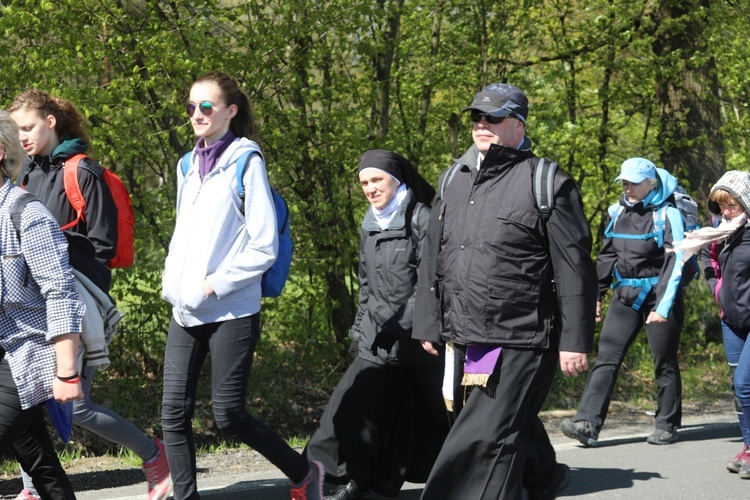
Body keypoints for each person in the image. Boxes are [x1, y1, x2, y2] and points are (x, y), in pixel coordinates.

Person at [412, 83, 597, 500]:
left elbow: (574, 270)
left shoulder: (547, 181)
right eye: (476, 116)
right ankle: (543, 477)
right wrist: (428, 320)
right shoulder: (453, 179)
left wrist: (575, 340)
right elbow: (432, 256)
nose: (482, 124)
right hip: (467, 332)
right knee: (494, 419)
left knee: (481, 434)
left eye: (493, 117)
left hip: (523, 335)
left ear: (518, 124)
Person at [160, 71, 323, 500]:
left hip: (231, 310)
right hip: (185, 308)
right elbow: (184, 232)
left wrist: (213, 285)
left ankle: (305, 473)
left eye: (206, 106)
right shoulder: (185, 164)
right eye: (191, 106)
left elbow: (264, 245)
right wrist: (172, 279)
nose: (197, 114)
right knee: (172, 414)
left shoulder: (246, 161)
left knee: (228, 416)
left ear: (230, 111)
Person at [8, 90, 171, 500]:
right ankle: (33, 487)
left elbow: (102, 246)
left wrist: (49, 248)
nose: (22, 136)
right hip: (34, 307)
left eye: (28, 127)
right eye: (16, 131)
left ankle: (155, 457)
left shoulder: (83, 173)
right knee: (32, 399)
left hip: (75, 300)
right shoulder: (26, 176)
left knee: (74, 403)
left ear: (50, 121)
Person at [304, 150, 448, 500]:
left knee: (411, 417)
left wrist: (400, 326)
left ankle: (524, 471)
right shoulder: (369, 224)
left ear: (396, 180)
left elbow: (434, 283)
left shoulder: (422, 218)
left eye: (376, 180)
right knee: (349, 406)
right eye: (364, 183)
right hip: (376, 338)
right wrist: (358, 331)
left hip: (415, 339)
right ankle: (329, 479)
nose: (369, 188)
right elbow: (366, 285)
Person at [560, 157, 687, 448]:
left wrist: (663, 308)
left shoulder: (668, 215)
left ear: (651, 183)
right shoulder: (616, 212)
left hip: (659, 295)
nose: (628, 187)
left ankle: (666, 425)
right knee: (606, 358)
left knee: (663, 361)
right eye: (625, 182)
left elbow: (675, 262)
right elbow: (606, 257)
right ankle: (587, 423)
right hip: (625, 297)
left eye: (634, 183)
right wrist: (597, 294)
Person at [0, 109, 85, 499]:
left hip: (26, 355)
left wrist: (67, 372)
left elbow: (60, 292)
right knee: (40, 464)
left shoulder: (25, 213)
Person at [685, 171, 750, 477]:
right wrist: (716, 290)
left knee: (744, 385)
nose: (725, 212)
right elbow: (711, 263)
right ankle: (749, 448)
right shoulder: (722, 233)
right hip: (732, 321)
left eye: (732, 205)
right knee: (740, 391)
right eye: (721, 206)